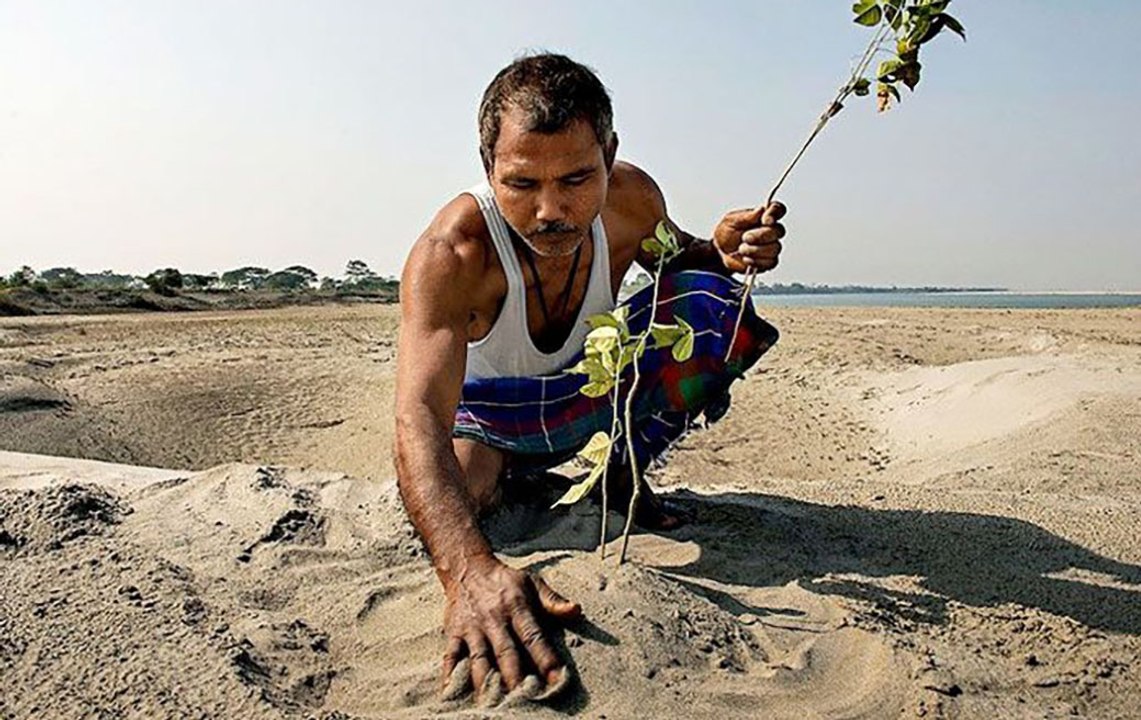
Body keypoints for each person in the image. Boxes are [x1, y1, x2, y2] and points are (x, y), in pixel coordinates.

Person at [393, 53, 786, 703]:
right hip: (490, 416)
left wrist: (722, 250)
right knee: (465, 497)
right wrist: (468, 573)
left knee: (714, 301)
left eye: (577, 178)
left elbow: (679, 260)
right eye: (521, 184)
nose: (551, 210)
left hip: (593, 394)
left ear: (609, 153)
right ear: (487, 166)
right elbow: (418, 416)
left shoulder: (632, 198)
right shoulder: (452, 252)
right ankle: (518, 475)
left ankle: (619, 475)